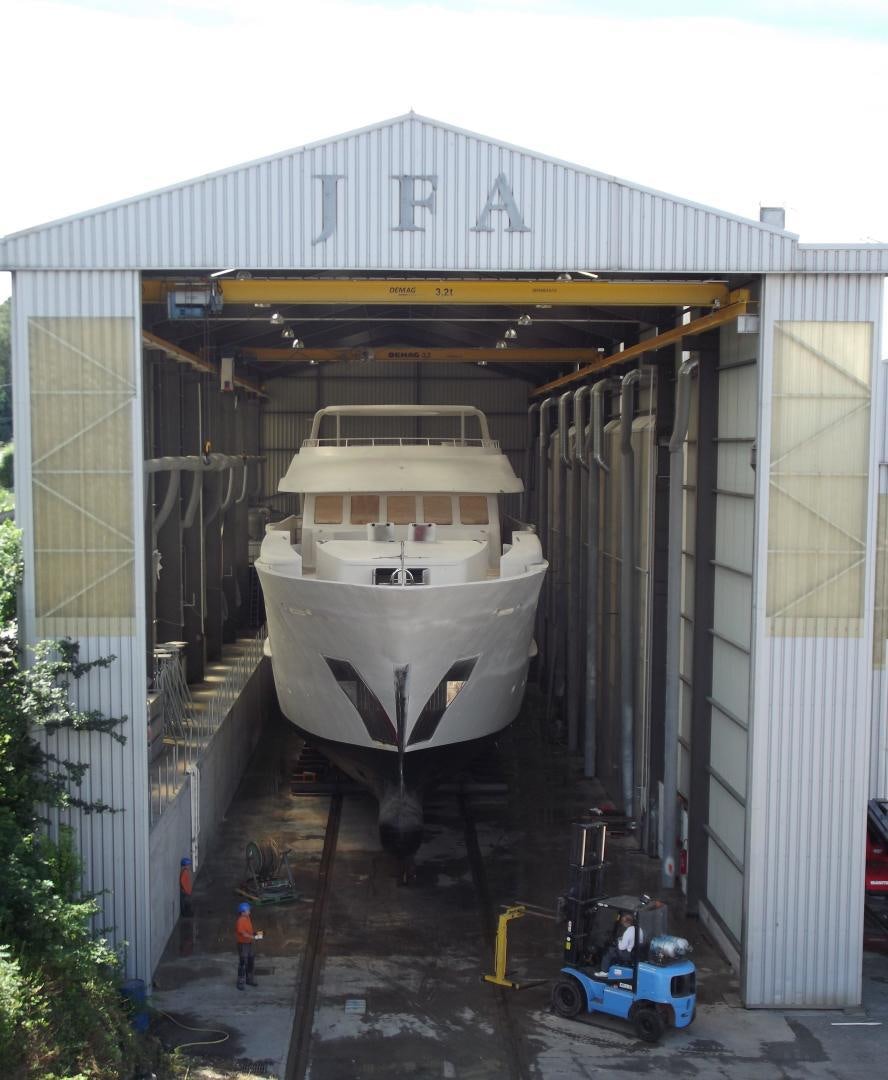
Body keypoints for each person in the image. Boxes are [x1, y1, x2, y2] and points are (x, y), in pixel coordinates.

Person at [235, 901, 260, 990]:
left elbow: (249, 931)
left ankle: (249, 979)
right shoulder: (240, 921)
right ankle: (240, 982)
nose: (249, 911)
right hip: (243, 944)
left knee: (250, 961)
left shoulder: (247, 918)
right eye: (248, 910)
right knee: (243, 962)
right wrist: (253, 937)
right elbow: (243, 934)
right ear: (242, 912)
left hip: (249, 943)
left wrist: (256, 934)